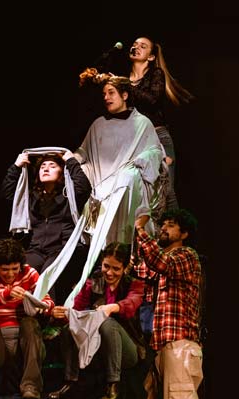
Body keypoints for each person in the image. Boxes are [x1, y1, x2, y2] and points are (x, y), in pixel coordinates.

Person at [56, 73, 165, 309]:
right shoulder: (98, 124)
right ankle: (95, 299)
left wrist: (138, 164)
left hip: (125, 191)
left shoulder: (141, 124)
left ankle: (123, 297)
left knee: (127, 183)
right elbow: (84, 153)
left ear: (125, 95)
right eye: (104, 94)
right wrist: (70, 159)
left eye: (111, 93)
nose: (106, 97)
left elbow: (156, 152)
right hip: (102, 190)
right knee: (102, 253)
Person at [47, 242, 147, 399]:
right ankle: (70, 382)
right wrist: (61, 314)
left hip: (127, 351)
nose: (110, 273)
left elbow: (131, 303)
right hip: (95, 348)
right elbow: (77, 310)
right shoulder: (93, 282)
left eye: (116, 269)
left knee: (107, 323)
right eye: (106, 266)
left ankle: (113, 384)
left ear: (125, 268)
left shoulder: (134, 285)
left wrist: (112, 307)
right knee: (69, 328)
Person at [0, 149, 92, 306]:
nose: (46, 169)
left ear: (61, 172)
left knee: (48, 276)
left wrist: (70, 161)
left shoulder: (68, 195)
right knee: (21, 272)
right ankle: (20, 312)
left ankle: (48, 315)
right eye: (43, 166)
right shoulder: (32, 197)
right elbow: (7, 195)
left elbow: (84, 188)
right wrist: (16, 167)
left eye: (52, 166)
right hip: (37, 249)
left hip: (62, 249)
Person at [0, 237, 55, 399]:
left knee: (30, 323)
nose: (10, 274)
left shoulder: (29, 273)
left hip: (24, 346)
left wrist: (42, 306)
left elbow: (48, 301)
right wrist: (7, 293)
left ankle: (31, 387)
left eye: (14, 268)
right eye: (5, 269)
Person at [133, 208, 203, 399]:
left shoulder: (187, 256)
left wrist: (140, 229)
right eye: (162, 224)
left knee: (178, 396)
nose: (163, 228)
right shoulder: (160, 262)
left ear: (184, 234)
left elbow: (162, 263)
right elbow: (141, 269)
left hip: (180, 344)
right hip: (162, 345)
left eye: (171, 225)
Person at [127, 35, 195, 211]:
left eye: (143, 46)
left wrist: (126, 87)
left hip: (158, 137)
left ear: (151, 57)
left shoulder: (155, 74)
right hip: (136, 140)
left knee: (167, 190)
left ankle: (174, 227)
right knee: (141, 191)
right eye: (134, 44)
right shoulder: (124, 79)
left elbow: (152, 100)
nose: (136, 47)